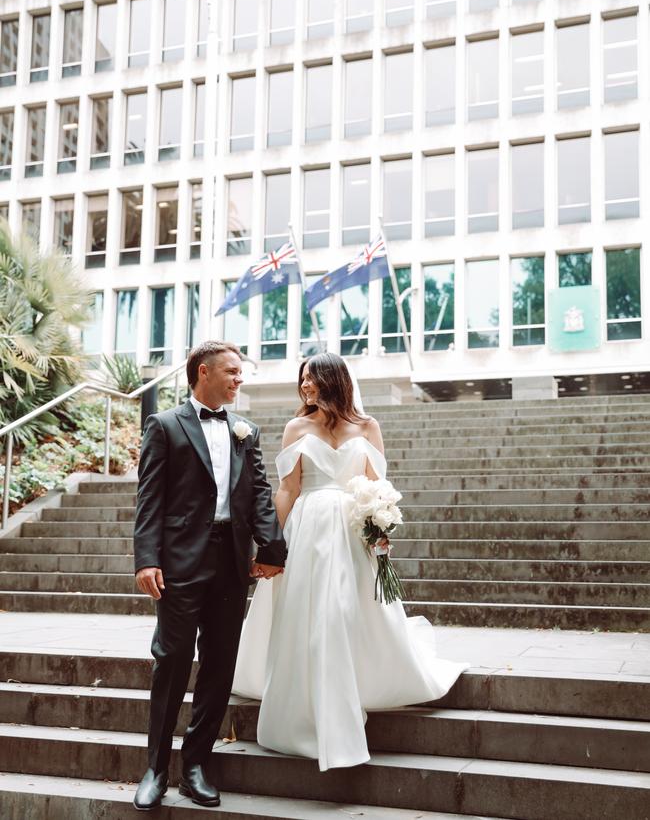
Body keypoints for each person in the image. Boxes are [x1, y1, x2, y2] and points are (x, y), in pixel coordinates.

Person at [233, 351, 467, 771]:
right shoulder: (295, 427)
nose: (305, 387)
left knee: (343, 611)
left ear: (333, 380)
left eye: (312, 379)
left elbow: (378, 486)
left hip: (353, 531)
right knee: (312, 615)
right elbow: (287, 490)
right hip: (308, 532)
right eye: (301, 380)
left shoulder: (367, 426)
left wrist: (380, 530)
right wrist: (269, 546)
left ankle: (346, 692)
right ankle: (308, 710)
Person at [133, 340, 286, 811]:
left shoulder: (246, 430)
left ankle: (195, 766)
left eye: (241, 373)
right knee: (172, 659)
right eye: (233, 372)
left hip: (231, 563)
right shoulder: (164, 425)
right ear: (203, 372)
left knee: (220, 665)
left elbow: (260, 492)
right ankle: (155, 769)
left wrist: (273, 547)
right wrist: (146, 558)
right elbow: (149, 497)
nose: (240, 379)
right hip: (179, 562)